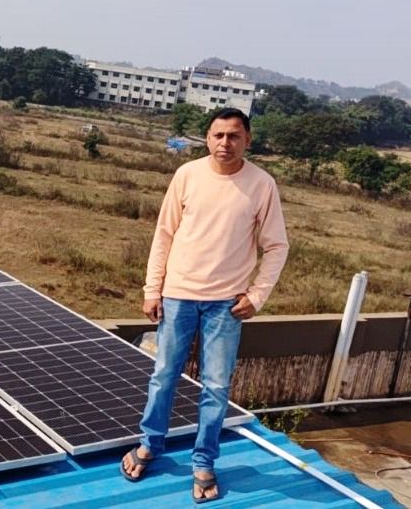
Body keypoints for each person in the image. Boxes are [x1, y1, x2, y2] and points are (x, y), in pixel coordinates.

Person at [120, 107, 289, 503]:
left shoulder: (261, 184)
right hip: (178, 295)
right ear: (207, 138)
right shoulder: (187, 175)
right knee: (164, 375)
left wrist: (257, 296)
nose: (225, 143)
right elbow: (164, 234)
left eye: (233, 136)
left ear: (248, 140)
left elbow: (277, 246)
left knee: (216, 386)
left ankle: (203, 462)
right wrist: (152, 289)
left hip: (226, 305)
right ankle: (150, 445)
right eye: (218, 135)